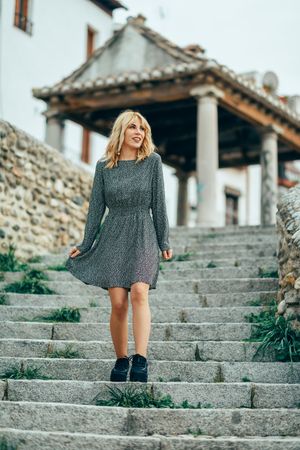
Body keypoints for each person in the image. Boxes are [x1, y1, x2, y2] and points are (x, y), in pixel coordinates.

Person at [65, 109, 173, 383]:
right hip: (113, 233)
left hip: (143, 232)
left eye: (143, 129)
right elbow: (96, 209)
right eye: (133, 128)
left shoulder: (152, 162)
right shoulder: (104, 167)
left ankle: (141, 358)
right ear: (121, 132)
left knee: (139, 291)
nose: (139, 132)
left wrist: (164, 240)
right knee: (117, 303)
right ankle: (121, 358)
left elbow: (159, 204)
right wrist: (86, 243)